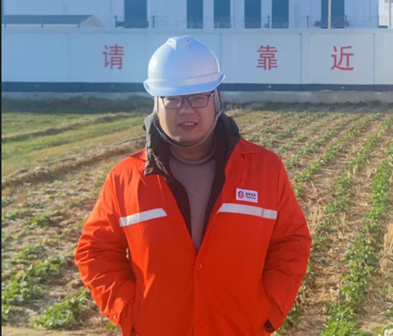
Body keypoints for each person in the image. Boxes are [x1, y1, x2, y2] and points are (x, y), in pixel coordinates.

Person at [75, 36, 312, 336]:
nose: (186, 110)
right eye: (173, 99)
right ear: (156, 103)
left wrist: (269, 309)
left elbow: (291, 242)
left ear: (217, 99)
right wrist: (129, 312)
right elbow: (95, 251)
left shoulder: (265, 170)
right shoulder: (125, 179)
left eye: (198, 97)